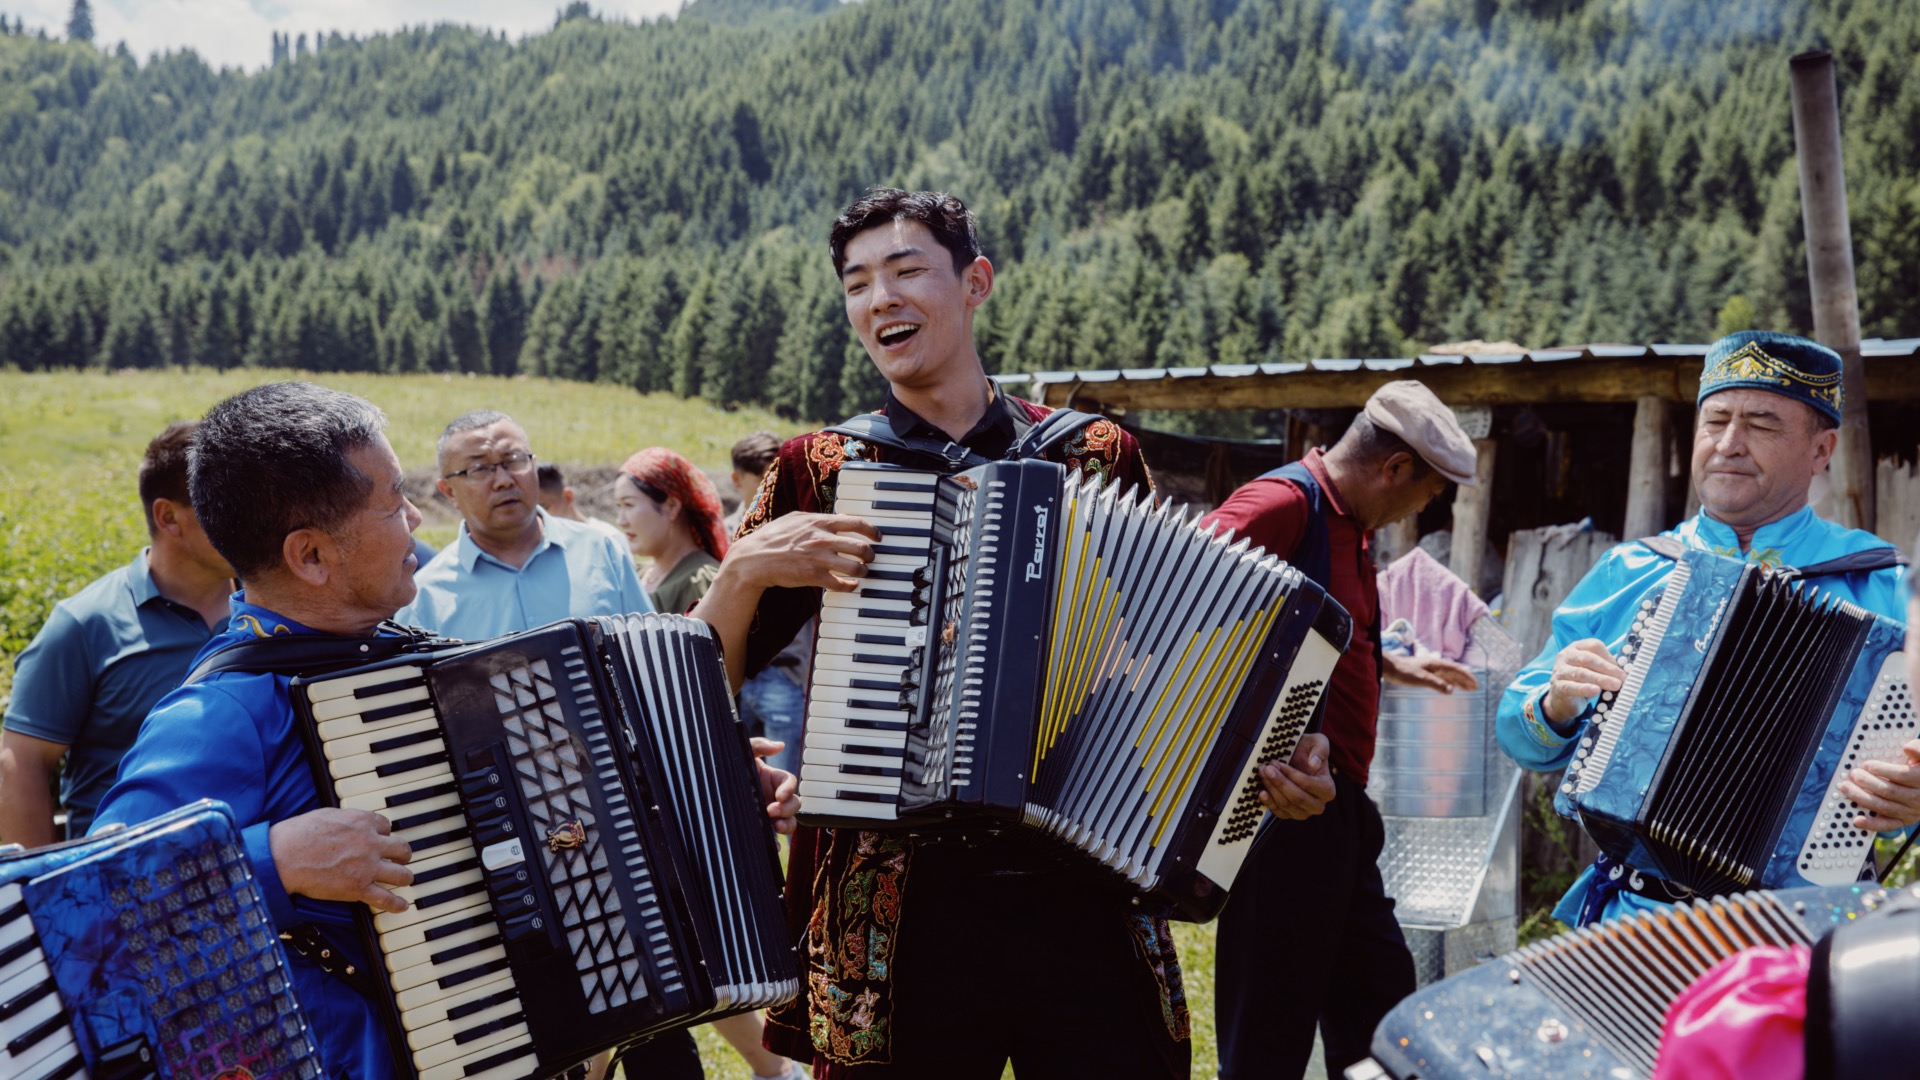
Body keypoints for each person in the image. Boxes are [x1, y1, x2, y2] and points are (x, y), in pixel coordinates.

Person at [688, 187, 1335, 1079]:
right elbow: (690, 680)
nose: (882, 298)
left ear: (975, 282)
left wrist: (1267, 768)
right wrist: (740, 571)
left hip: (1084, 885)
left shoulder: (1093, 452)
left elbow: (1164, 654)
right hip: (895, 909)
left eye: (908, 271)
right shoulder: (824, 468)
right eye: (858, 283)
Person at [89, 383, 806, 1078]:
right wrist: (275, 860)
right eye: (392, 503)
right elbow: (93, 917)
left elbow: (554, 813)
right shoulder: (224, 714)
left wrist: (696, 777)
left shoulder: (411, 661)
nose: (415, 522)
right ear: (310, 555)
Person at [1496, 330, 1920, 928]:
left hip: (1810, 929)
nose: (1729, 444)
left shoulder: (1886, 585)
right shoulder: (1631, 570)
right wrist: (1556, 700)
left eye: (1762, 425)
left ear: (1821, 450)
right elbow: (1518, 734)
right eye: (1715, 420)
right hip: (1641, 922)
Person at [1199, 381, 1484, 1080]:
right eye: (1427, 493)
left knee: (1383, 1021)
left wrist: (1390, 663)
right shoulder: (1281, 506)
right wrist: (1261, 740)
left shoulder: (1349, 525)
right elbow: (1175, 612)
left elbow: (1304, 631)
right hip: (1281, 815)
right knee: (1269, 1032)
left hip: (1343, 818)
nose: (1422, 508)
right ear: (1394, 469)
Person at [0, 421, 235, 845]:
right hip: (124, 886)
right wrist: (49, 895)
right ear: (169, 517)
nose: (248, 520)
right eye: (224, 504)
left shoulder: (263, 608)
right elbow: (21, 761)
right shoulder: (85, 623)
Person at [396, 409, 652, 637]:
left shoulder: (600, 551)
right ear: (449, 491)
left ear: (534, 465)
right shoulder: (425, 598)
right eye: (480, 469)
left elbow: (649, 650)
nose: (504, 480)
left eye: (514, 461)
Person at [727, 431, 810, 776]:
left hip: (786, 674)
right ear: (736, 480)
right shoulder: (722, 531)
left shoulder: (799, 533)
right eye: (764, 479)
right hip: (735, 680)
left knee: (785, 784)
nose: (772, 486)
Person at [616, 447, 728, 615]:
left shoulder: (702, 581)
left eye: (629, 505)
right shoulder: (635, 574)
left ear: (671, 506)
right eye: (619, 506)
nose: (621, 521)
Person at [537, 461, 630, 548]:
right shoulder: (540, 545)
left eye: (544, 508)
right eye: (534, 512)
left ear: (568, 497)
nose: (538, 517)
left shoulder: (607, 538)